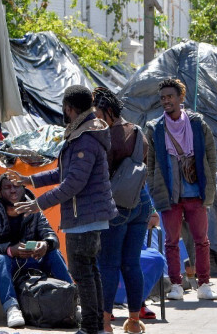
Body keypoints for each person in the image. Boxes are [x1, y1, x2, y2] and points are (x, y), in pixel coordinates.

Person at [10, 85, 118, 334]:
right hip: (87, 216)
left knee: (83, 272)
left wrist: (38, 204)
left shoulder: (86, 138)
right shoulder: (83, 132)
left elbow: (73, 184)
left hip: (85, 217)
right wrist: (30, 181)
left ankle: (91, 326)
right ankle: (96, 326)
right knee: (89, 271)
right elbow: (63, 173)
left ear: (69, 108)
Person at [145, 78, 217, 301]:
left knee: (201, 240)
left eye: (170, 96)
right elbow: (150, 164)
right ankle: (176, 284)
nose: (166, 101)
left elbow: (210, 157)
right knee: (171, 241)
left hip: (195, 192)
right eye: (163, 98)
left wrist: (209, 187)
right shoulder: (155, 128)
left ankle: (204, 284)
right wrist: (154, 191)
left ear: (181, 98)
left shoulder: (198, 125)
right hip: (169, 194)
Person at [0, 173, 73, 328]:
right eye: (7, 187)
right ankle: (12, 308)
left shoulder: (35, 211)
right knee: (2, 259)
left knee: (54, 253)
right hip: (2, 268)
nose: (13, 191)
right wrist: (9, 250)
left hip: (30, 262)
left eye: (16, 186)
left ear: (23, 188)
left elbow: (52, 237)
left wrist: (45, 244)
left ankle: (74, 301)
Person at [92, 87, 151, 334]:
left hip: (117, 205)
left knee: (108, 265)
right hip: (142, 202)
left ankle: (106, 323)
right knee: (131, 264)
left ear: (107, 111)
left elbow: (99, 173)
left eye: (96, 113)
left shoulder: (107, 136)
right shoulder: (138, 132)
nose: (94, 119)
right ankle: (135, 323)